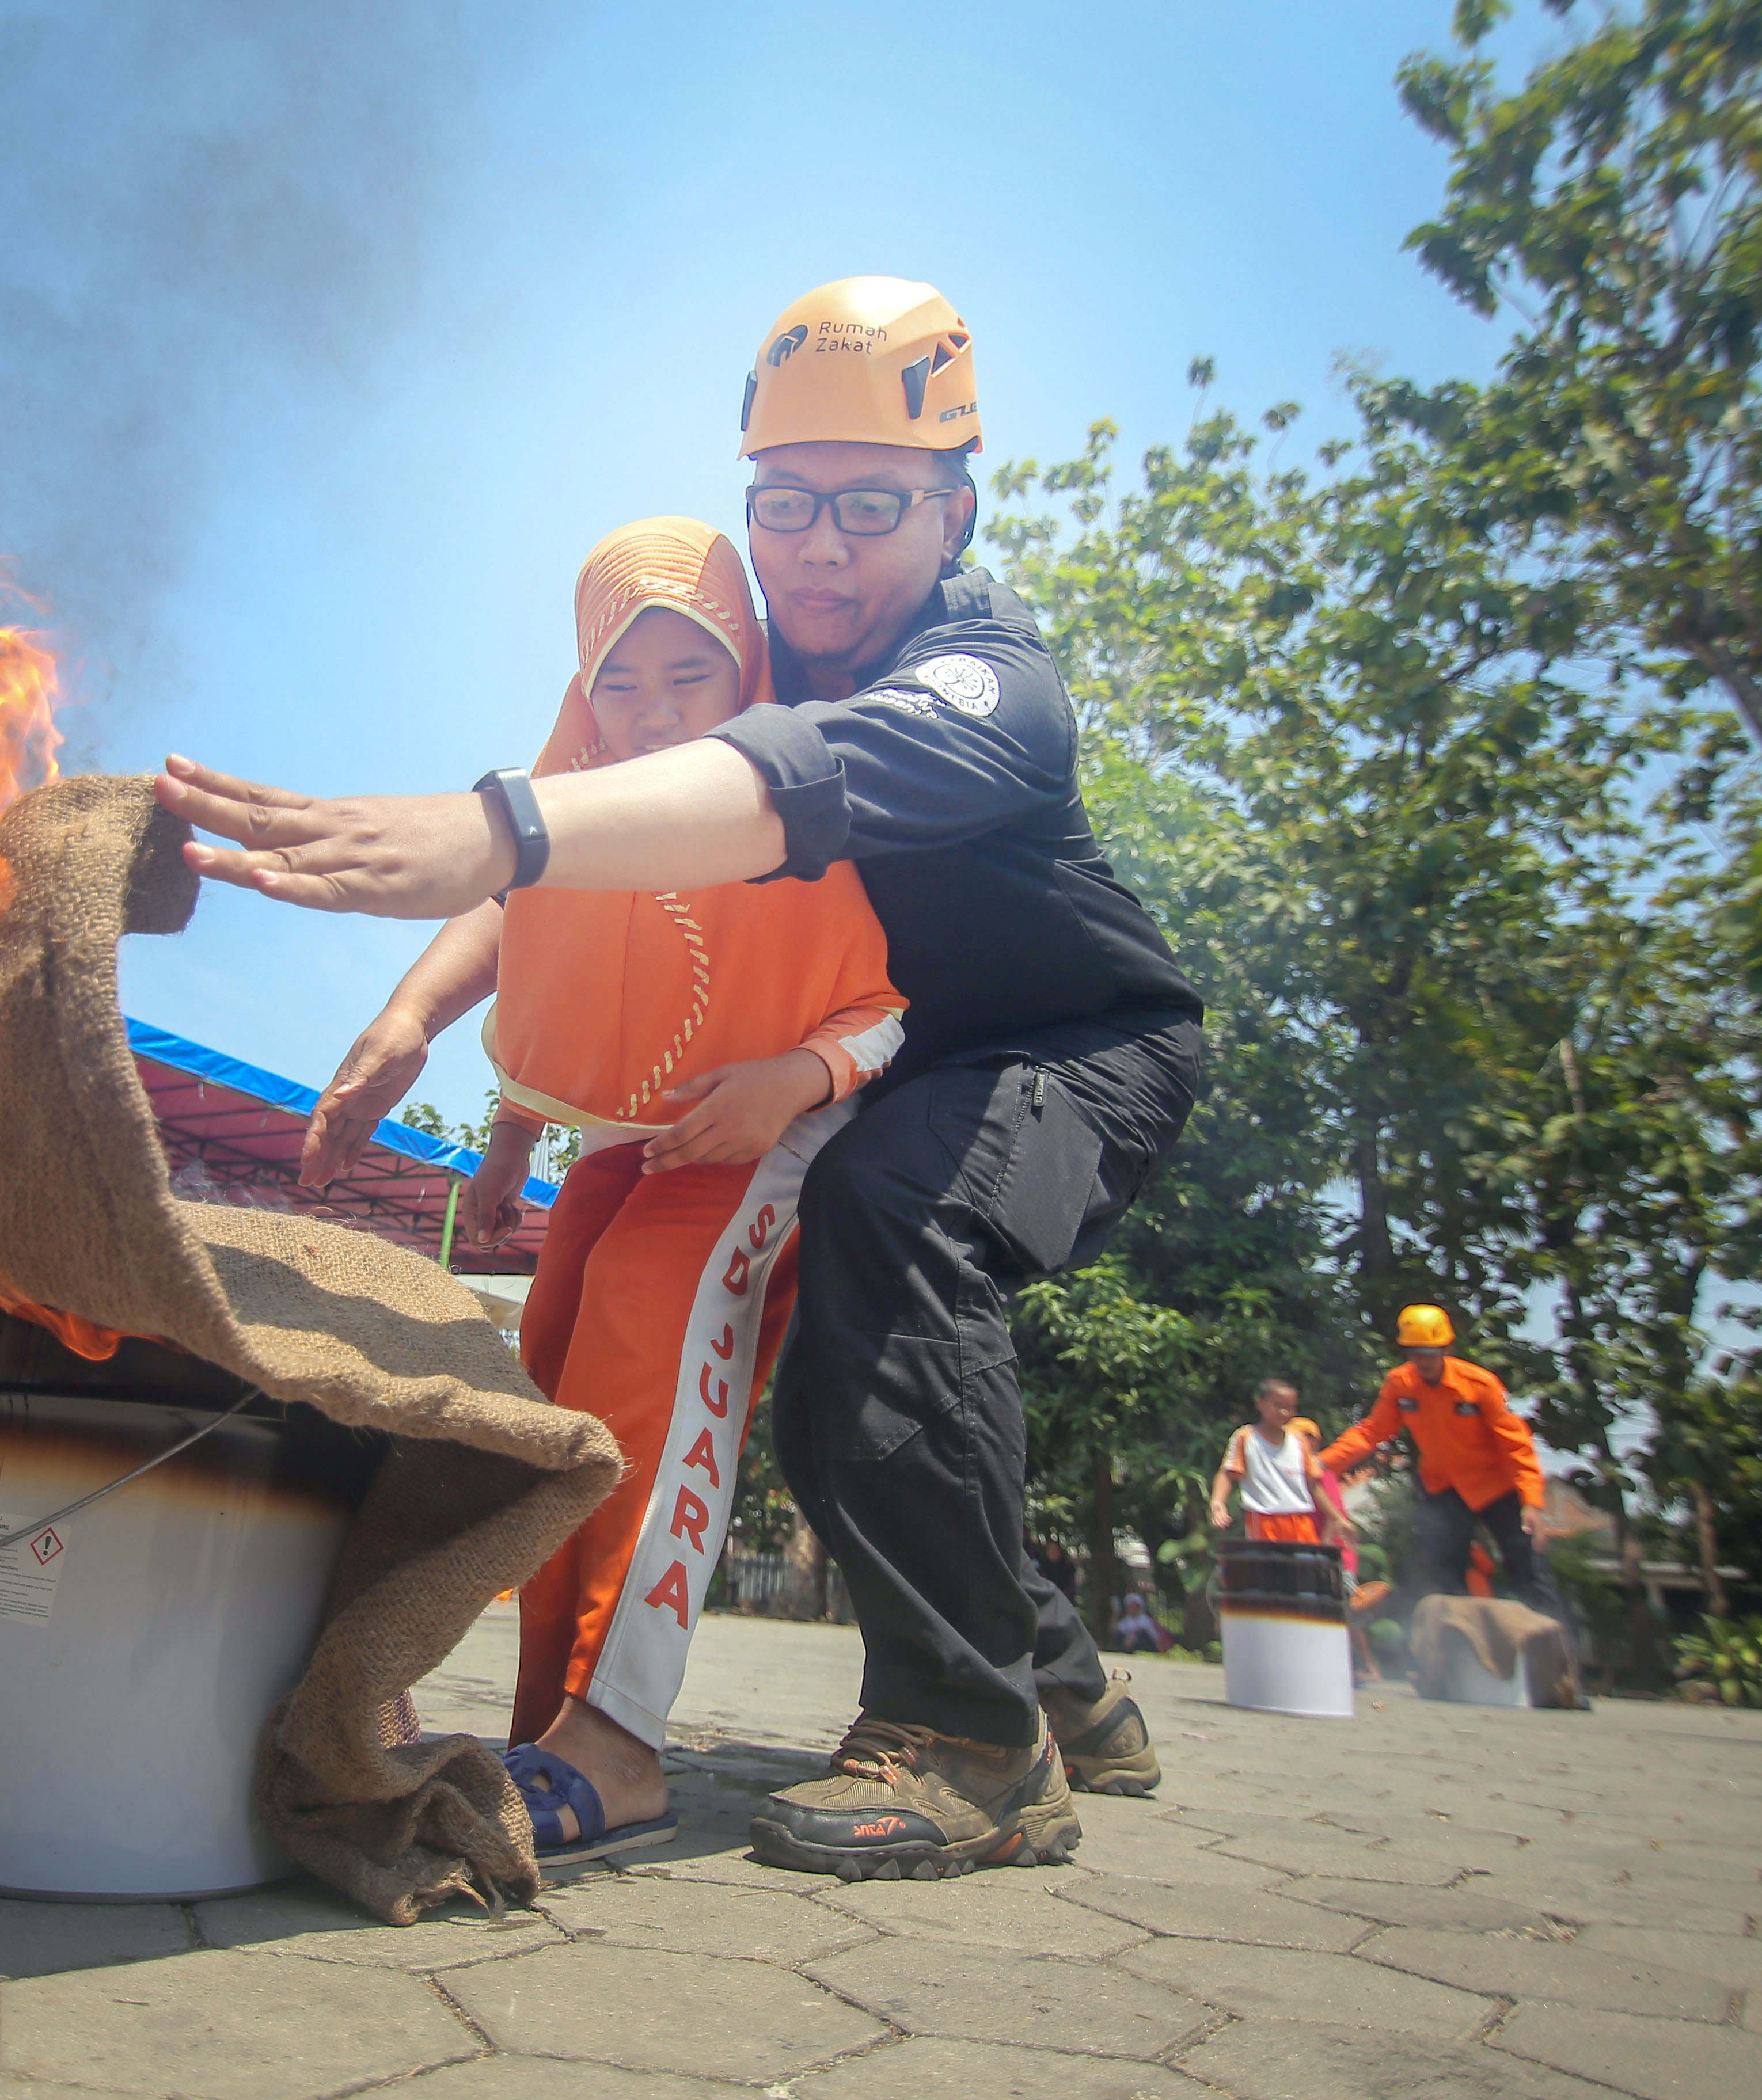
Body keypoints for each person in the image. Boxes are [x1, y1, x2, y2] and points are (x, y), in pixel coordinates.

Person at [170, 279, 1204, 1880]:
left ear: (955, 510)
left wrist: (493, 826)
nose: (822, 549)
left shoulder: (986, 678)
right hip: (862, 1067)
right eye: (786, 503)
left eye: (871, 506)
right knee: (836, 1403)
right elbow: (593, 862)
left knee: (890, 1226)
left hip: (1063, 1050)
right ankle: (1067, 1685)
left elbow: (771, 788)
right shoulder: (722, 645)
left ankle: (974, 1744)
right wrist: (425, 1010)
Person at [467, 517, 909, 1864]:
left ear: (747, 675)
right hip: (626, 1138)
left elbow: (898, 1001)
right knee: (551, 1367)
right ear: (582, 695)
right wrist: (508, 1139)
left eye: (690, 675)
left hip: (764, 1125)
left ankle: (619, 1737)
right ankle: (546, 1725)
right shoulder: (587, 814)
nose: (654, 713)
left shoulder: (802, 799)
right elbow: (549, 977)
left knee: (643, 1322)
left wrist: (799, 1076)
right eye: (621, 682)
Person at [1316, 1306, 1563, 1620]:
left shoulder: (1480, 1386)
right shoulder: (1400, 1384)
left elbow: (1517, 1445)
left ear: (1447, 1348)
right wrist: (1323, 1464)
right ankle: (1453, 1642)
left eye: (1430, 1352)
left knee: (1527, 1565)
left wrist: (1530, 1502)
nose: (1423, 1361)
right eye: (1415, 1353)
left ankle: (1550, 1639)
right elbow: (1372, 1432)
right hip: (1444, 1489)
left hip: (1496, 1489)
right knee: (1443, 1573)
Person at [1208, 1377, 1351, 1544]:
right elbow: (1228, 1474)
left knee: (1305, 1560)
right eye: (1278, 1406)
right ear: (1260, 1403)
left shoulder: (1299, 1441)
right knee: (1269, 1561)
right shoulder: (1246, 1438)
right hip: (1264, 1520)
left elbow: (1313, 1483)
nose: (1284, 1412)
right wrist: (1218, 1502)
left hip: (1300, 1520)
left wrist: (1337, 1518)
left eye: (1290, 1408)